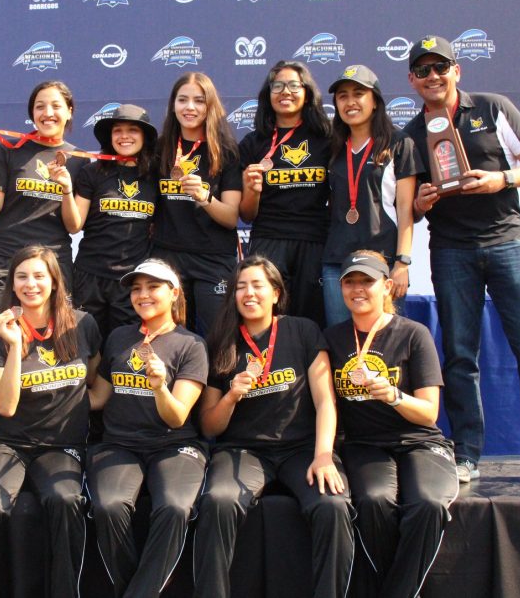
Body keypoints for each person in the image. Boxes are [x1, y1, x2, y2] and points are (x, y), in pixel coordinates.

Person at [404, 35, 520, 486]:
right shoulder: (409, 133)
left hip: (507, 242)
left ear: (456, 70)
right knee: (460, 357)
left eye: (440, 66)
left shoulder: (493, 107)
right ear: (412, 80)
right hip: (449, 249)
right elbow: (411, 206)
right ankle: (466, 454)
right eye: (423, 70)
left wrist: (502, 178)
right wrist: (422, 203)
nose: (433, 76)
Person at [194, 256, 353, 598]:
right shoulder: (220, 342)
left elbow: (326, 400)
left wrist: (324, 455)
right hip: (244, 450)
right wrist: (231, 397)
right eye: (240, 287)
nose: (248, 294)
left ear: (276, 293)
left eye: (257, 285)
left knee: (333, 506)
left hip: (302, 449)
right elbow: (209, 425)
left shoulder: (303, 330)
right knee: (219, 501)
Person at [0, 245, 101, 598]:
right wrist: (13, 347)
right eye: (21, 276)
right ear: (11, 283)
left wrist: (86, 403)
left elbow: (94, 377)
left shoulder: (83, 324)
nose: (30, 284)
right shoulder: (1, 333)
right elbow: (6, 406)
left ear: (55, 282)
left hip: (61, 445)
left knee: (67, 502)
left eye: (40, 276)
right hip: (9, 441)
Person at [324, 250, 457, 598]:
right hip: (365, 445)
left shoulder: (414, 334)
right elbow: (325, 403)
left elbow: (429, 413)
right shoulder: (333, 338)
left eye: (366, 281)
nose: (357, 289)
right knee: (373, 501)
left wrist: (394, 396)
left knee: (428, 504)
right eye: (349, 282)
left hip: (420, 441)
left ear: (386, 286)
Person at [86, 259, 208, 597]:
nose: (143, 295)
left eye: (153, 287)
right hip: (119, 444)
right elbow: (99, 396)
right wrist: (56, 392)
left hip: (173, 445)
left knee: (173, 508)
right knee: (108, 507)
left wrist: (159, 386)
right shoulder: (119, 337)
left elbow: (177, 416)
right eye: (137, 288)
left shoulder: (192, 344)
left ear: (174, 293)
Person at [322, 65, 419, 326]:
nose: (350, 102)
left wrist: (402, 263)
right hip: (337, 261)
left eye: (358, 94)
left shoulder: (399, 143)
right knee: (340, 339)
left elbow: (405, 210)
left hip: (383, 260)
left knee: (385, 340)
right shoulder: (331, 147)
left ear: (375, 100)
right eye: (342, 96)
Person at [0, 81, 87, 312]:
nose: (48, 113)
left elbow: (74, 226)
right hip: (5, 258)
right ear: (32, 114)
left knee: (54, 338)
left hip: (53, 261)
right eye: (40, 107)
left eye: (56, 106)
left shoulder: (79, 159)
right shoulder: (9, 149)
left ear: (69, 111)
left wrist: (66, 189)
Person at [238, 60, 333, 327]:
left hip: (313, 239)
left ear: (307, 92)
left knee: (310, 320)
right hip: (269, 238)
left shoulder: (326, 138)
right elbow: (246, 214)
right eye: (277, 86)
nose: (285, 92)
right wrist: (253, 191)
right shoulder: (253, 142)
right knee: (266, 318)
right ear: (268, 95)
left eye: (293, 85)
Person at [153, 72, 242, 335]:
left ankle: (218, 379)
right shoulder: (159, 149)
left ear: (210, 106)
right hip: (168, 257)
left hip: (213, 259)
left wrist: (205, 198)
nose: (190, 107)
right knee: (170, 339)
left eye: (199, 101)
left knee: (217, 338)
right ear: (173, 105)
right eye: (183, 100)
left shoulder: (226, 151)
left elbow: (231, 217)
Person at [60, 103, 159, 340]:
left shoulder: (155, 176)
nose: (124, 136)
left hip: (131, 280)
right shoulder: (92, 172)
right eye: (117, 130)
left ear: (144, 136)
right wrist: (65, 190)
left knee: (124, 348)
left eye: (132, 130)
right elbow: (74, 225)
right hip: (90, 275)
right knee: (85, 344)